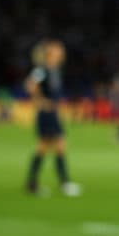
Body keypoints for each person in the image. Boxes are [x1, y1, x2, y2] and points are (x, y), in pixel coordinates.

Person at [24, 39, 82, 197]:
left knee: (45, 147)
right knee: (57, 145)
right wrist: (40, 101)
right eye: (58, 49)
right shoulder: (42, 69)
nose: (62, 52)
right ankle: (64, 183)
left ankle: (32, 184)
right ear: (50, 52)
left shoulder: (55, 69)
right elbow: (30, 85)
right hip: (46, 113)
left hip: (52, 112)